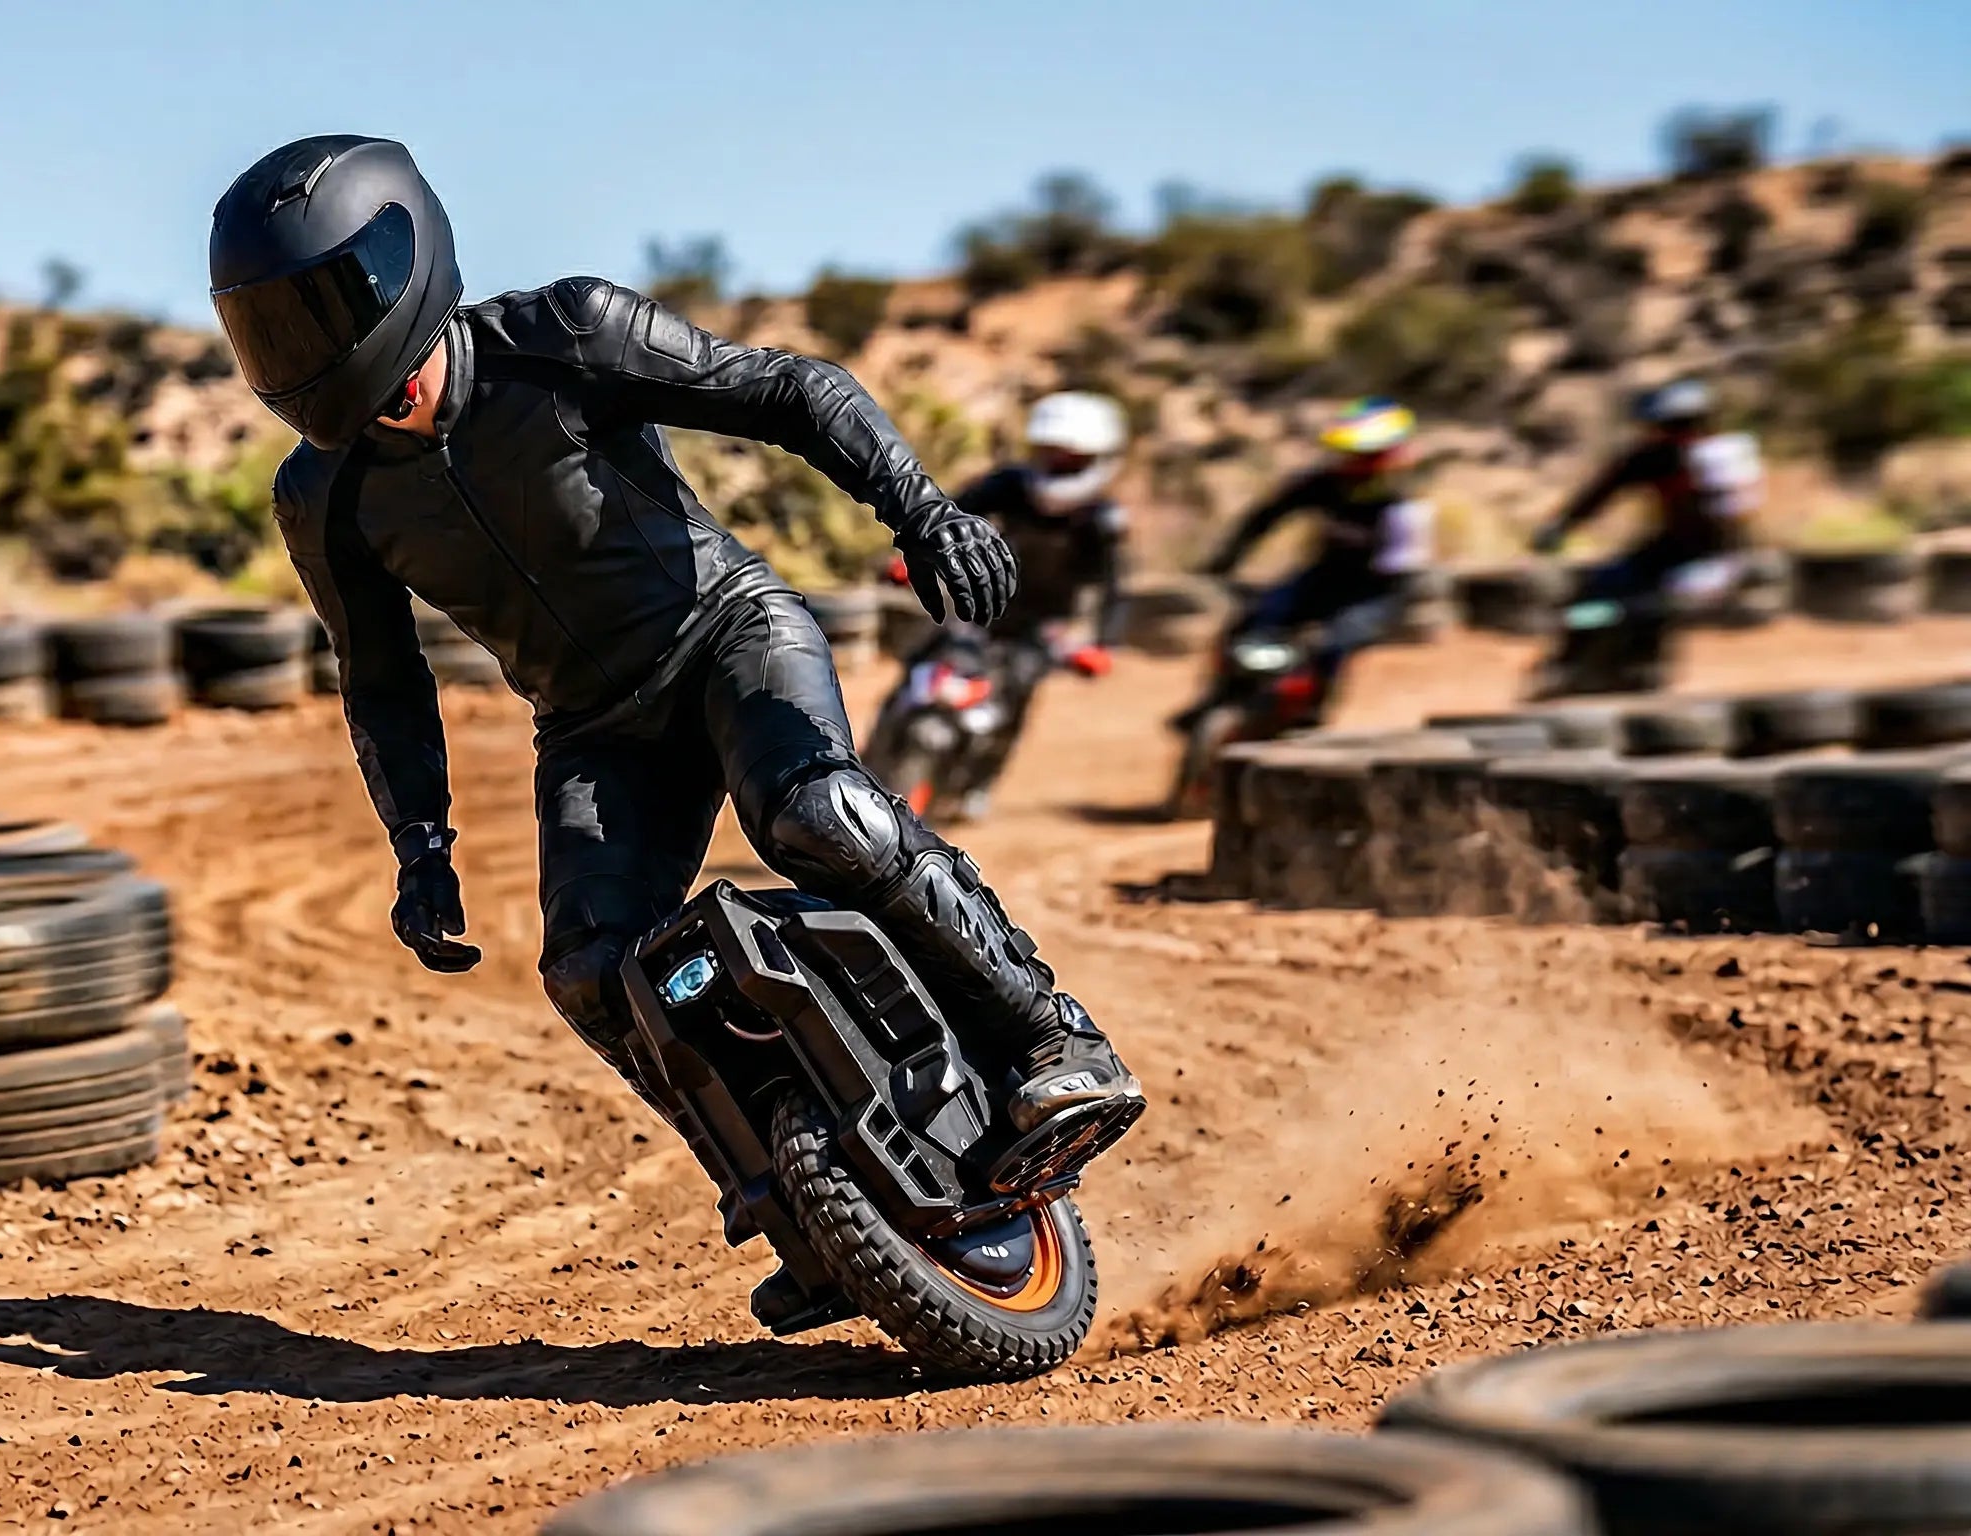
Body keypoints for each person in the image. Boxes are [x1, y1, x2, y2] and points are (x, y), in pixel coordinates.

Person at [210, 135, 1142, 1193]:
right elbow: (379, 680)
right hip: (591, 726)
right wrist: (418, 844)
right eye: (274, 328)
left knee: (817, 816)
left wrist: (921, 513)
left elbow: (788, 390)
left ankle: (1050, 1036)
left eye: (325, 308)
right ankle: (788, 1185)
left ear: (404, 254)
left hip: (727, 635)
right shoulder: (320, 496)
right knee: (588, 971)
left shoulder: (561, 333)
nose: (306, 351)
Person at [875, 391, 1128, 820]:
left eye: (1069, 460)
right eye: (1048, 454)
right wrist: (913, 556)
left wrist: (1103, 644)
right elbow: (946, 514)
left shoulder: (1101, 521)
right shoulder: (1009, 485)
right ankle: (870, 749)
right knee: (923, 661)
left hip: (1041, 622)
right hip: (978, 601)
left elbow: (1114, 588)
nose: (1055, 466)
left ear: (1098, 461)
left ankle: (979, 781)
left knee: (1017, 689)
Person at [1179, 396, 1434, 726]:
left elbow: (1401, 576)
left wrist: (1361, 621)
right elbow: (1265, 517)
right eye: (1349, 454)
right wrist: (1225, 561)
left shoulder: (1403, 508)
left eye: (1365, 455)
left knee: (1332, 645)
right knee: (1252, 621)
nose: (1353, 463)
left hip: (1373, 593)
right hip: (1321, 577)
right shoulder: (1321, 484)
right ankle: (1219, 695)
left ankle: (1311, 714)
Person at [1530, 378, 1760, 610]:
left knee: (1595, 603)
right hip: (1739, 555)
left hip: (1685, 561)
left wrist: (1558, 529)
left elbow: (1599, 494)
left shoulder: (1657, 457)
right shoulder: (1737, 449)